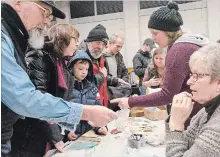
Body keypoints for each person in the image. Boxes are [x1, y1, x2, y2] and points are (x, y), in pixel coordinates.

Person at [1, 1, 117, 156]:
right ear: (19, 3)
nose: (47, 21)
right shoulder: (7, 40)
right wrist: (85, 112)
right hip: (27, 135)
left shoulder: (15, 38)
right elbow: (24, 98)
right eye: (45, 13)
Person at [111, 2, 209, 128]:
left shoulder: (179, 50)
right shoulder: (190, 43)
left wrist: (130, 101)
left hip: (195, 116)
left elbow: (167, 95)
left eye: (155, 33)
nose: (153, 38)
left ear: (168, 32)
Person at [11, 23, 80, 157]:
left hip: (44, 130)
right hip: (30, 132)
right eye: (75, 41)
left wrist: (69, 126)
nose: (77, 45)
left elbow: (67, 97)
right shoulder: (39, 57)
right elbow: (38, 99)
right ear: (63, 39)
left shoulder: (62, 61)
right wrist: (55, 136)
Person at [166, 43, 220, 157]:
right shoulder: (204, 113)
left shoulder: (217, 130)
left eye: (198, 76)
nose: (189, 81)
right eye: (191, 74)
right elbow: (184, 145)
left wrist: (176, 126)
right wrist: (174, 119)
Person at [66, 51, 108, 141]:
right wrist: (67, 131)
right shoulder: (66, 89)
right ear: (71, 68)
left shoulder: (92, 88)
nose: (84, 72)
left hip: (88, 136)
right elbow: (60, 113)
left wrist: (100, 127)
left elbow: (98, 110)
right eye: (80, 69)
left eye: (86, 69)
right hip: (72, 137)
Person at [81, 24, 124, 107]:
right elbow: (83, 83)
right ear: (89, 42)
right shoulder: (81, 59)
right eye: (98, 43)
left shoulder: (101, 58)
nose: (100, 47)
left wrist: (115, 80)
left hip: (102, 103)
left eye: (103, 44)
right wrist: (101, 75)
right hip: (89, 107)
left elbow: (104, 77)